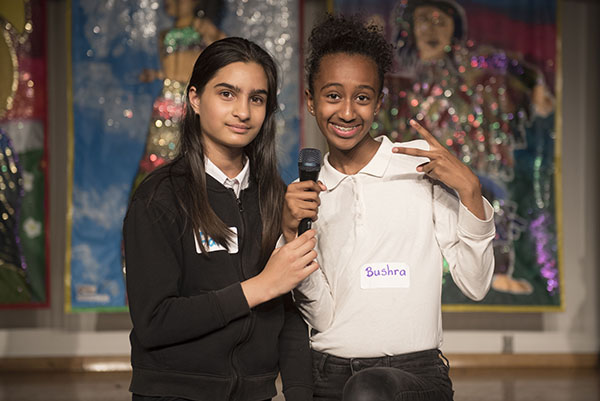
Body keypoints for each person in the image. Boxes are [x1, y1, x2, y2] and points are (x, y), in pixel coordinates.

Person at [282, 14, 495, 401]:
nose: (347, 112)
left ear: (378, 102)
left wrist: (471, 191)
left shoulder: (419, 169)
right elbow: (324, 317)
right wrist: (291, 234)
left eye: (362, 97)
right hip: (329, 377)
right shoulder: (304, 195)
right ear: (311, 102)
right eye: (333, 96)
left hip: (415, 377)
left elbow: (476, 284)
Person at [123, 37, 316, 401]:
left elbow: (290, 310)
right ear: (195, 98)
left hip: (256, 392)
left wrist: (300, 392)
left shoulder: (274, 193)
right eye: (227, 94)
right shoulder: (159, 197)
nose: (243, 112)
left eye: (256, 98)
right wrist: (259, 287)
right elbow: (153, 322)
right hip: (174, 392)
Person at [377, 0, 556, 295]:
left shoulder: (471, 66)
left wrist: (535, 84)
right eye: (424, 20)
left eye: (441, 22)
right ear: (411, 27)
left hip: (466, 166)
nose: (432, 29)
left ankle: (496, 269)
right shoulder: (397, 76)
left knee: (491, 198)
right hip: (413, 171)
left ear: (454, 31)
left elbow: (509, 65)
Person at [132, 0, 226, 191]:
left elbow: (227, 52)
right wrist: (156, 75)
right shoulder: (164, 35)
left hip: (192, 101)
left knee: (192, 150)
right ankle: (153, 199)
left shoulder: (202, 27)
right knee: (157, 152)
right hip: (166, 101)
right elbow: (171, 70)